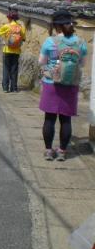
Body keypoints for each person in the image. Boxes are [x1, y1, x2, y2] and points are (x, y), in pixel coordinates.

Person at [39, 9, 87, 161]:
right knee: (66, 120)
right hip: (71, 85)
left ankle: (48, 151)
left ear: (57, 26)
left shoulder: (50, 41)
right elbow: (82, 63)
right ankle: (62, 151)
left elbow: (41, 62)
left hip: (51, 83)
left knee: (49, 118)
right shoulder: (80, 43)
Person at [0, 10, 26, 93]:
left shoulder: (7, 26)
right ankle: (14, 88)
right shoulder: (21, 27)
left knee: (6, 69)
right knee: (14, 69)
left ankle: (6, 88)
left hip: (7, 50)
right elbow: (23, 39)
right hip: (16, 51)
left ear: (9, 18)